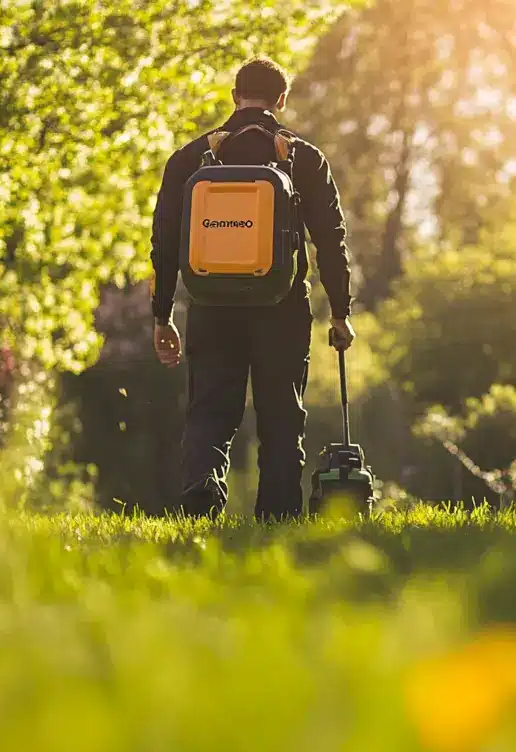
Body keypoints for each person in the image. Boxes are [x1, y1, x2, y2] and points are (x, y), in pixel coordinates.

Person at [149, 57, 356, 521]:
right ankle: (278, 518)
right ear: (281, 99)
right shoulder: (304, 157)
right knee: (282, 418)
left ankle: (201, 498)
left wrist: (163, 316)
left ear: (233, 97)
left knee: (210, 412)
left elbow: (163, 240)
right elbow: (330, 239)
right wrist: (340, 311)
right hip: (281, 306)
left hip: (211, 303)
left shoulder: (190, 158)